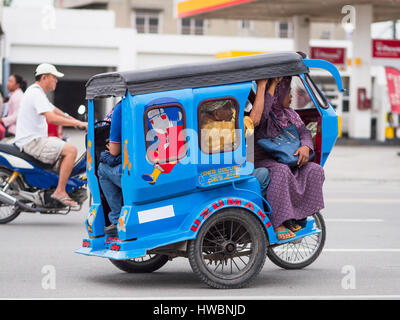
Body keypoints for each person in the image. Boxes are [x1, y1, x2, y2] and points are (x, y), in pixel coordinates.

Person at [250, 76, 325, 240]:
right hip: (265, 159)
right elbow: (261, 117)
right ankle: (278, 223)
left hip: (289, 159)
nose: (291, 97)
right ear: (278, 93)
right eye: (288, 92)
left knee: (315, 170)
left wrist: (306, 146)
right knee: (281, 171)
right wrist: (272, 85)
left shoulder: (290, 114)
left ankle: (297, 217)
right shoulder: (263, 111)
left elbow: (304, 132)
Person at [14, 63, 88, 207]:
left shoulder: (37, 93)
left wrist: (77, 121)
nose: (56, 81)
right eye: (54, 78)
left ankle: (57, 186)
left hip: (33, 140)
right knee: (71, 150)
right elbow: (51, 118)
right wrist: (77, 124)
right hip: (33, 142)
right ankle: (60, 191)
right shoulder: (36, 93)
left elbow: (54, 110)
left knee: (62, 147)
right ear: (45, 77)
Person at [97, 101, 123, 236]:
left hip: (132, 172)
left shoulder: (120, 108)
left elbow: (114, 150)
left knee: (102, 168)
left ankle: (117, 218)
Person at [0, 74, 27, 139]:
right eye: (8, 81)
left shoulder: (18, 96)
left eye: (11, 81)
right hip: (11, 130)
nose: (8, 83)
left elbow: (17, 116)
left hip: (14, 132)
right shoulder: (13, 94)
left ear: (17, 85)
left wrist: (2, 120)